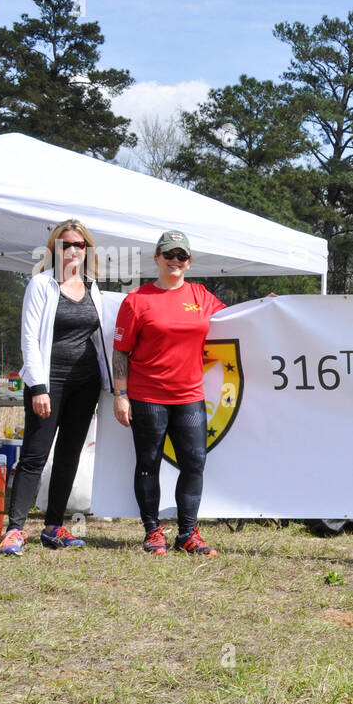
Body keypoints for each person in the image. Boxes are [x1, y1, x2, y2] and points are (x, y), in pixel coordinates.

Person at [0, 219, 111, 556]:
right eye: (66, 245)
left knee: (68, 456)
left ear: (87, 250)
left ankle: (53, 528)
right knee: (34, 455)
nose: (72, 250)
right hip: (49, 382)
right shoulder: (40, 285)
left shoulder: (94, 288)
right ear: (55, 250)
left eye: (79, 245)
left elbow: (102, 336)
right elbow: (29, 340)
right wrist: (38, 387)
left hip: (86, 384)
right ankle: (15, 530)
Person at [112, 230, 226, 556]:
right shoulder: (137, 300)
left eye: (181, 256)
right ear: (157, 258)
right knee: (148, 463)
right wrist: (120, 394)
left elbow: (237, 320)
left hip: (189, 395)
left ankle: (187, 533)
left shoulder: (201, 296)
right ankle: (153, 531)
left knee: (194, 463)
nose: (175, 261)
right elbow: (120, 351)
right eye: (169, 255)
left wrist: (267, 307)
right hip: (147, 396)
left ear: (189, 262)